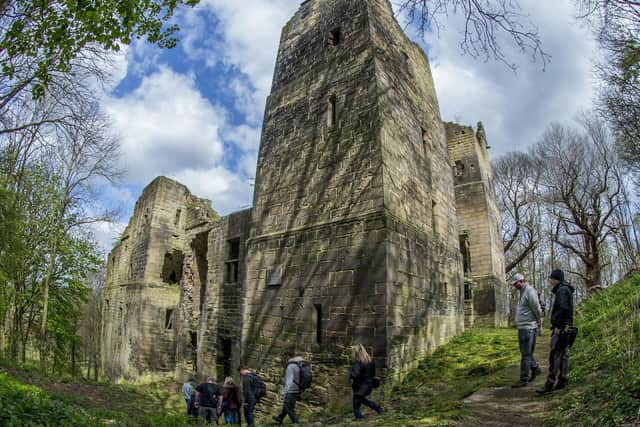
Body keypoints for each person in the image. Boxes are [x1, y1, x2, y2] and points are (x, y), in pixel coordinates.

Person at [537, 269, 575, 395]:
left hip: (562, 328)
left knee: (555, 355)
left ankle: (549, 383)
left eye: (551, 278)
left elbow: (563, 308)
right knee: (563, 355)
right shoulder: (564, 289)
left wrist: (557, 326)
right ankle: (562, 380)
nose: (549, 281)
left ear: (555, 279)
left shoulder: (562, 290)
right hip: (567, 326)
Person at [510, 274, 543, 388]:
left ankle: (524, 378)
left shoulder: (529, 291)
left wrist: (538, 322)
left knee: (526, 354)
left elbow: (537, 308)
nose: (515, 286)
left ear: (522, 281)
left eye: (516, 284)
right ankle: (535, 368)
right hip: (523, 327)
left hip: (528, 328)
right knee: (526, 353)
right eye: (514, 284)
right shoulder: (522, 292)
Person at [350, 344, 382, 420]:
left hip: (360, 386)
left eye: (353, 352)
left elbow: (355, 373)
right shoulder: (371, 360)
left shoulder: (358, 362)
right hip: (368, 384)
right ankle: (377, 407)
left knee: (356, 403)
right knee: (361, 400)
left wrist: (352, 376)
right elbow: (373, 374)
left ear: (356, 353)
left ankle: (359, 417)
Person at [273, 354, 303, 425]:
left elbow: (289, 381)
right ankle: (280, 418)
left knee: (289, 407)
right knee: (287, 405)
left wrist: (284, 392)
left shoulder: (291, 366)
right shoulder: (299, 365)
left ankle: (296, 423)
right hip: (297, 389)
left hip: (291, 390)